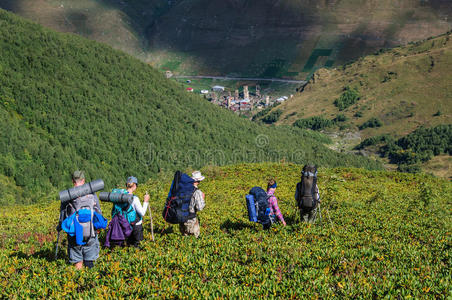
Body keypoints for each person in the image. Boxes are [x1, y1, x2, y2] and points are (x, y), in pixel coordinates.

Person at [57, 170, 102, 270]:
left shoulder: (68, 196)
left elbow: (63, 215)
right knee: (89, 261)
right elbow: (98, 212)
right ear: (83, 180)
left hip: (74, 233)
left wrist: (60, 227)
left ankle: (78, 281)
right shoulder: (92, 194)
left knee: (77, 261)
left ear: (73, 181)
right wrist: (98, 228)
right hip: (91, 232)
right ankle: (90, 282)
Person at [179, 171, 206, 238]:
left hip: (181, 218)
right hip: (191, 219)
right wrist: (202, 199)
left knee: (184, 240)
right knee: (194, 240)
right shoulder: (197, 192)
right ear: (198, 181)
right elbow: (200, 207)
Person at [125, 176, 149, 248]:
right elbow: (142, 213)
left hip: (125, 225)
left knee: (129, 246)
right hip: (136, 226)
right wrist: (145, 201)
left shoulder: (121, 196)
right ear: (134, 185)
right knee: (138, 247)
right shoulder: (135, 198)